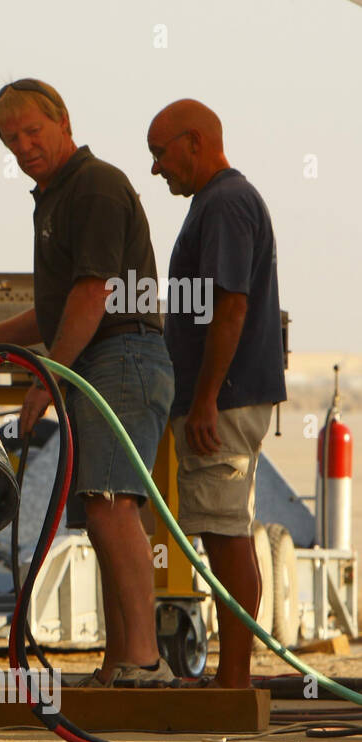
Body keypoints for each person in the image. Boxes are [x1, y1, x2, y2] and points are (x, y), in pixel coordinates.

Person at [0, 78, 176, 686]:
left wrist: (49, 379)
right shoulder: (54, 197)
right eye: (10, 138)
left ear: (64, 121)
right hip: (102, 359)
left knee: (110, 504)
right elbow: (54, 309)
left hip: (121, 356)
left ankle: (144, 662)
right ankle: (123, 663)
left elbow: (93, 292)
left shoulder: (94, 187)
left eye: (31, 131)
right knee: (101, 509)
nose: (22, 146)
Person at [147, 99, 286, 689]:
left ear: (195, 142)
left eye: (161, 152)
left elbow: (231, 307)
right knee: (221, 528)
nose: (156, 168)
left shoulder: (226, 203)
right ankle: (232, 678)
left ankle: (233, 682)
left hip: (222, 401)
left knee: (226, 532)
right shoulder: (219, 202)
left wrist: (204, 398)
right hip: (219, 396)